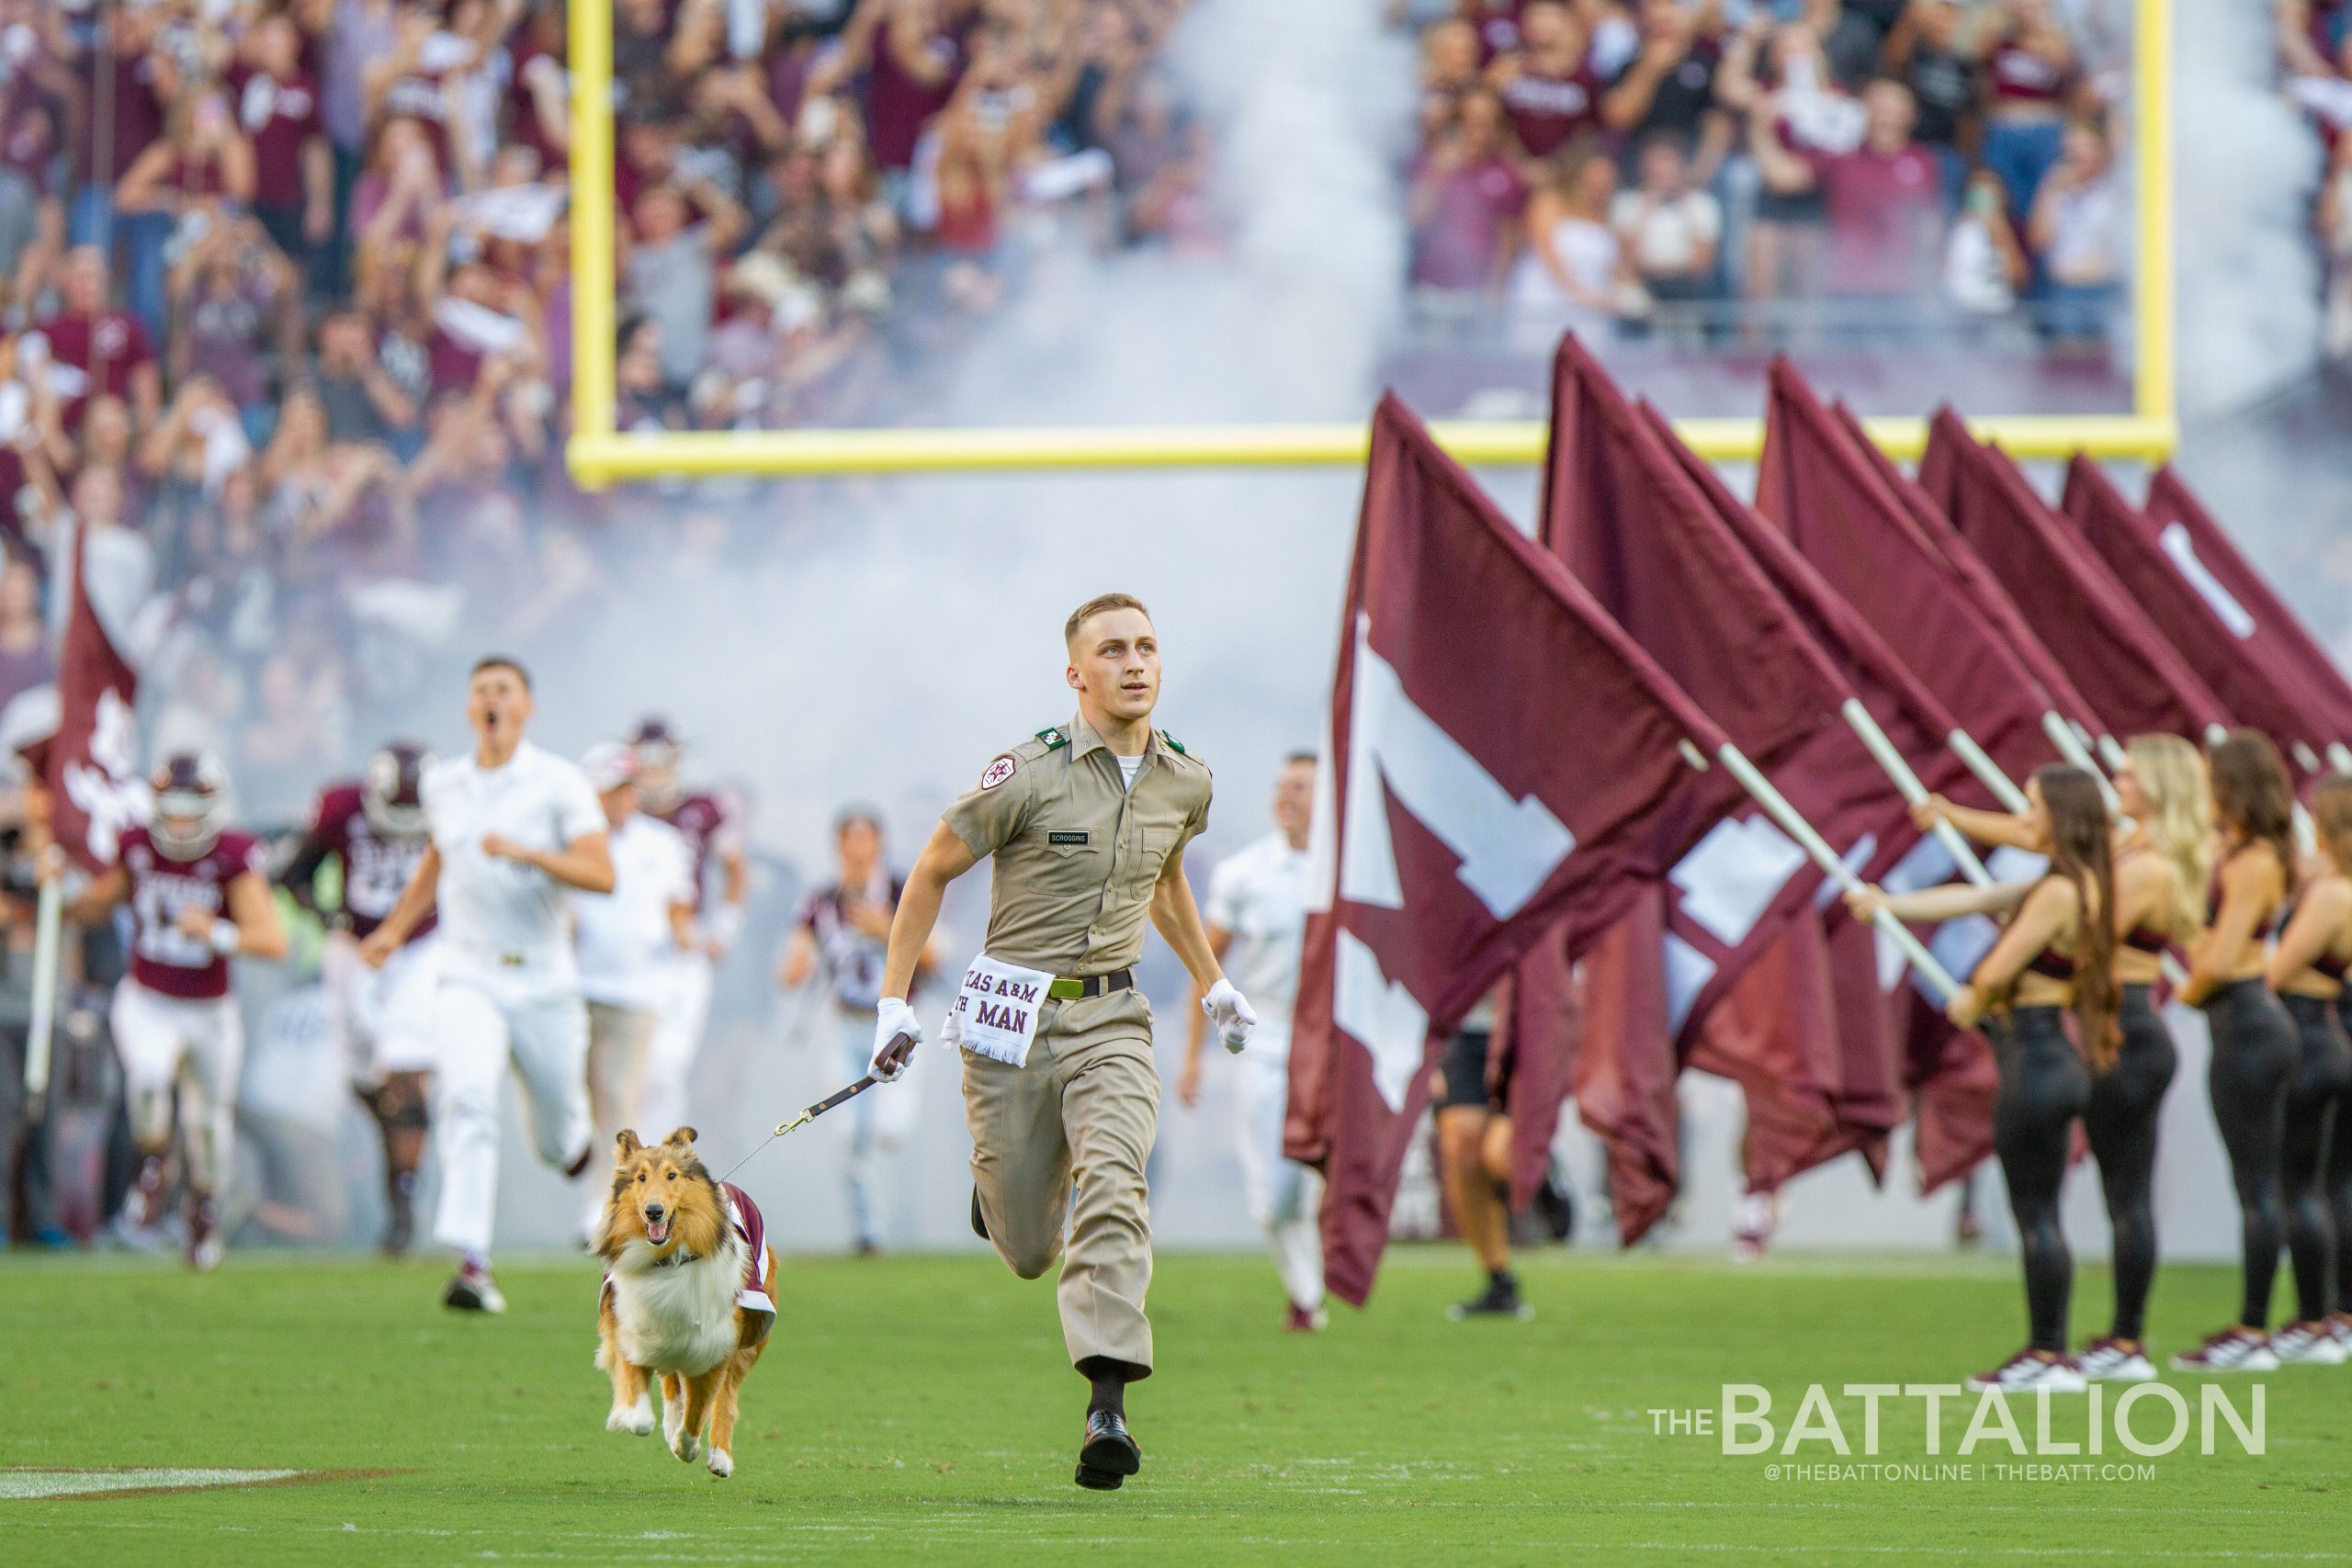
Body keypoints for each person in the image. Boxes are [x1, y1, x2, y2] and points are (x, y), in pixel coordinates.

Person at [864, 592, 1248, 1492]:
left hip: (1113, 1020)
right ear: (1076, 673)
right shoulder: (1025, 774)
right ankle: (999, 1201)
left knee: (1116, 1180)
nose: (1135, 663)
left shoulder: (1187, 781)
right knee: (1031, 1249)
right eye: (1112, 650)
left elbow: (1166, 882)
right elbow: (929, 869)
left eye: (1147, 646)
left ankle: (1107, 1404)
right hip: (1010, 1022)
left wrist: (1212, 982)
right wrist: (893, 999)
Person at [1917, 733, 2211, 1382]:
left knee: (2126, 1194)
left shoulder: (2149, 865)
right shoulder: (2124, 849)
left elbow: (2077, 914)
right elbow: (2047, 835)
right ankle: (2105, 1338)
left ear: (2161, 785)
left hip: (2127, 1028)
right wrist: (1954, 815)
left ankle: (2123, 1339)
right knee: (2113, 1193)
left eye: (2132, 773)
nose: (2120, 781)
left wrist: (2013, 950)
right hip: (2104, 1025)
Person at [361, 655, 615, 1314]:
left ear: (527, 706)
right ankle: (472, 1261)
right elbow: (438, 860)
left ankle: (573, 1142)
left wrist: (530, 854)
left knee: (559, 1134)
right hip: (467, 970)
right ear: (469, 709)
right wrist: (394, 928)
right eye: (480, 692)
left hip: (542, 978)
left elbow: (600, 873)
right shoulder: (445, 785)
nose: (491, 701)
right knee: (468, 1098)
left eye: (503, 690)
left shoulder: (559, 783)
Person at [1857, 765, 2115, 1393]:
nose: (2023, 822)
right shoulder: (2075, 881)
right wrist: (1888, 905)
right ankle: (2048, 1348)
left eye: (2033, 809)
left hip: (2036, 1054)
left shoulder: (2058, 890)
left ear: (2062, 817)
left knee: (2037, 1214)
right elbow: (1971, 900)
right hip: (2047, 1053)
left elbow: (1999, 965)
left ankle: (2048, 1351)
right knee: (2039, 1211)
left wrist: (1974, 996)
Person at [48, 754, 288, 1270]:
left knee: (207, 1129)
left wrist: (217, 932)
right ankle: (151, 1169)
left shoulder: (233, 855)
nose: (179, 822)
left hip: (208, 1008)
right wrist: (56, 888)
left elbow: (273, 940)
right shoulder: (136, 845)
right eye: (171, 808)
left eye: (189, 809)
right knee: (150, 1079)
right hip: (149, 997)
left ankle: (202, 1210)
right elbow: (95, 905)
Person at [1179, 752, 1325, 1331]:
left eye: (1300, 786)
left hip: (1327, 1046)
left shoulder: (1349, 868)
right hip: (1263, 1042)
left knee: (1313, 1173)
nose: (1286, 796)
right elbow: (1206, 965)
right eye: (1280, 785)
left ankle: (1310, 1297)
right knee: (1274, 1193)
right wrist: (1194, 1055)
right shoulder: (1244, 873)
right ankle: (1306, 1292)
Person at [278, 739, 441, 1255]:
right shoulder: (341, 807)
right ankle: (399, 1140)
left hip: (421, 949)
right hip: (356, 950)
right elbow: (293, 873)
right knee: (364, 1078)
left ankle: (402, 1205)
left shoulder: (456, 811)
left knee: (406, 1070)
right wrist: (329, 919)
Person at [2174, 729, 2299, 1372]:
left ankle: (2254, 1328)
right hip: (2245, 1023)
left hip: (2247, 1021)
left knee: (2258, 1184)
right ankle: (2254, 1322)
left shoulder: (2255, 861)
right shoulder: (2245, 853)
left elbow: (2221, 958)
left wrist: (2186, 984)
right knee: (2258, 1182)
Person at [778, 808, 933, 1254]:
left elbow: (936, 953)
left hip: (898, 1027)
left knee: (889, 1129)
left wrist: (884, 928)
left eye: (867, 840)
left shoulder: (905, 889)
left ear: (879, 844)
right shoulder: (822, 902)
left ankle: (884, 1206)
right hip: (845, 1022)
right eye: (851, 840)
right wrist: (796, 966)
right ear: (840, 846)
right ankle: (868, 1232)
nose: (859, 850)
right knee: (849, 1134)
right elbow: (795, 959)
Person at [569, 741, 695, 1243]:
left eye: (626, 789)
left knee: (619, 1102)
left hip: (636, 989)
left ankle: (604, 1211)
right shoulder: (572, 841)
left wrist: (686, 939)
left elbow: (679, 906)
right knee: (578, 1102)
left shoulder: (662, 843)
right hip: (574, 986)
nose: (621, 799)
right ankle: (597, 1194)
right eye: (611, 790)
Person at [2263, 773, 2352, 1364]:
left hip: (2310, 1033)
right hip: (2332, 1029)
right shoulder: (2329, 883)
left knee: (2304, 1184)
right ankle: (2335, 1312)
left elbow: (2276, 971)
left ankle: (2317, 1315)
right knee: (2334, 1180)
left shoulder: (2333, 892)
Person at [627, 717, 750, 1141]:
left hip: (683, 948)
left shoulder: (702, 810)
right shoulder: (619, 805)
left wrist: (724, 929)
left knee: (668, 1065)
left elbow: (735, 868)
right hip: (629, 949)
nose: (654, 770)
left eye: (661, 760)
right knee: (629, 1071)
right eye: (646, 760)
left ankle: (661, 1163)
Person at [1430, 987, 1529, 1319]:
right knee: (1460, 1153)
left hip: (1527, 1025)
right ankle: (1499, 1278)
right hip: (1465, 1027)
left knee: (1500, 1155)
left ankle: (1546, 1180)